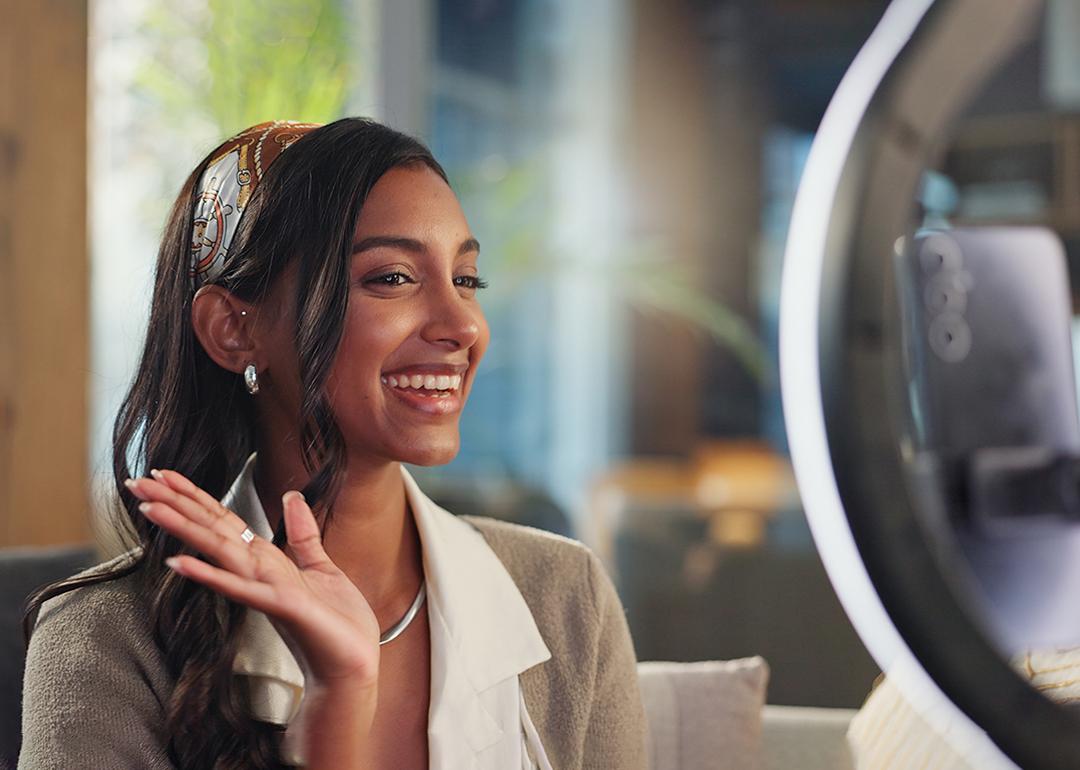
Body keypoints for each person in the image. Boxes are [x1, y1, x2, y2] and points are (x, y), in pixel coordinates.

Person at [19, 118, 647, 769]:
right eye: (393, 278)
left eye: (467, 279)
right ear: (234, 330)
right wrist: (339, 701)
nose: (463, 324)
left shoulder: (566, 596)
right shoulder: (104, 639)